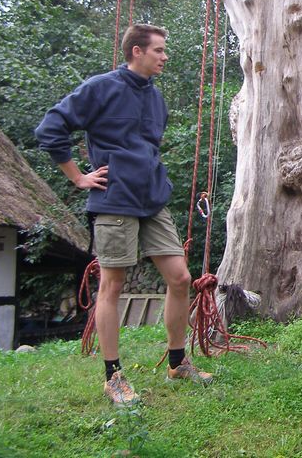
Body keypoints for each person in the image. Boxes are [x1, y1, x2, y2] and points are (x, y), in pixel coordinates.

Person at [35, 24, 212, 407]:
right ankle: (113, 376)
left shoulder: (156, 98)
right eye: (159, 50)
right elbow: (51, 128)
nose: (165, 57)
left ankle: (178, 361)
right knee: (113, 285)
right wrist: (78, 177)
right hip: (114, 200)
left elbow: (148, 147)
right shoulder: (101, 88)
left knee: (180, 278)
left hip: (152, 201)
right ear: (136, 51)